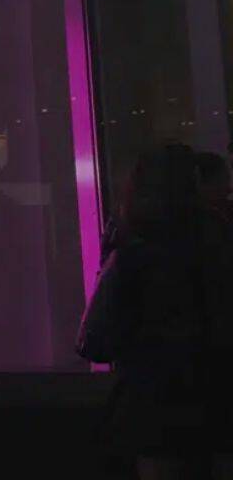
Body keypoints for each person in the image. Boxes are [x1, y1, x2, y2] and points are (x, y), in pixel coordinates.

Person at [102, 144, 233, 479]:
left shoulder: (130, 245)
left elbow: (106, 328)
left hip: (154, 393)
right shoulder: (216, 235)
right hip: (215, 382)